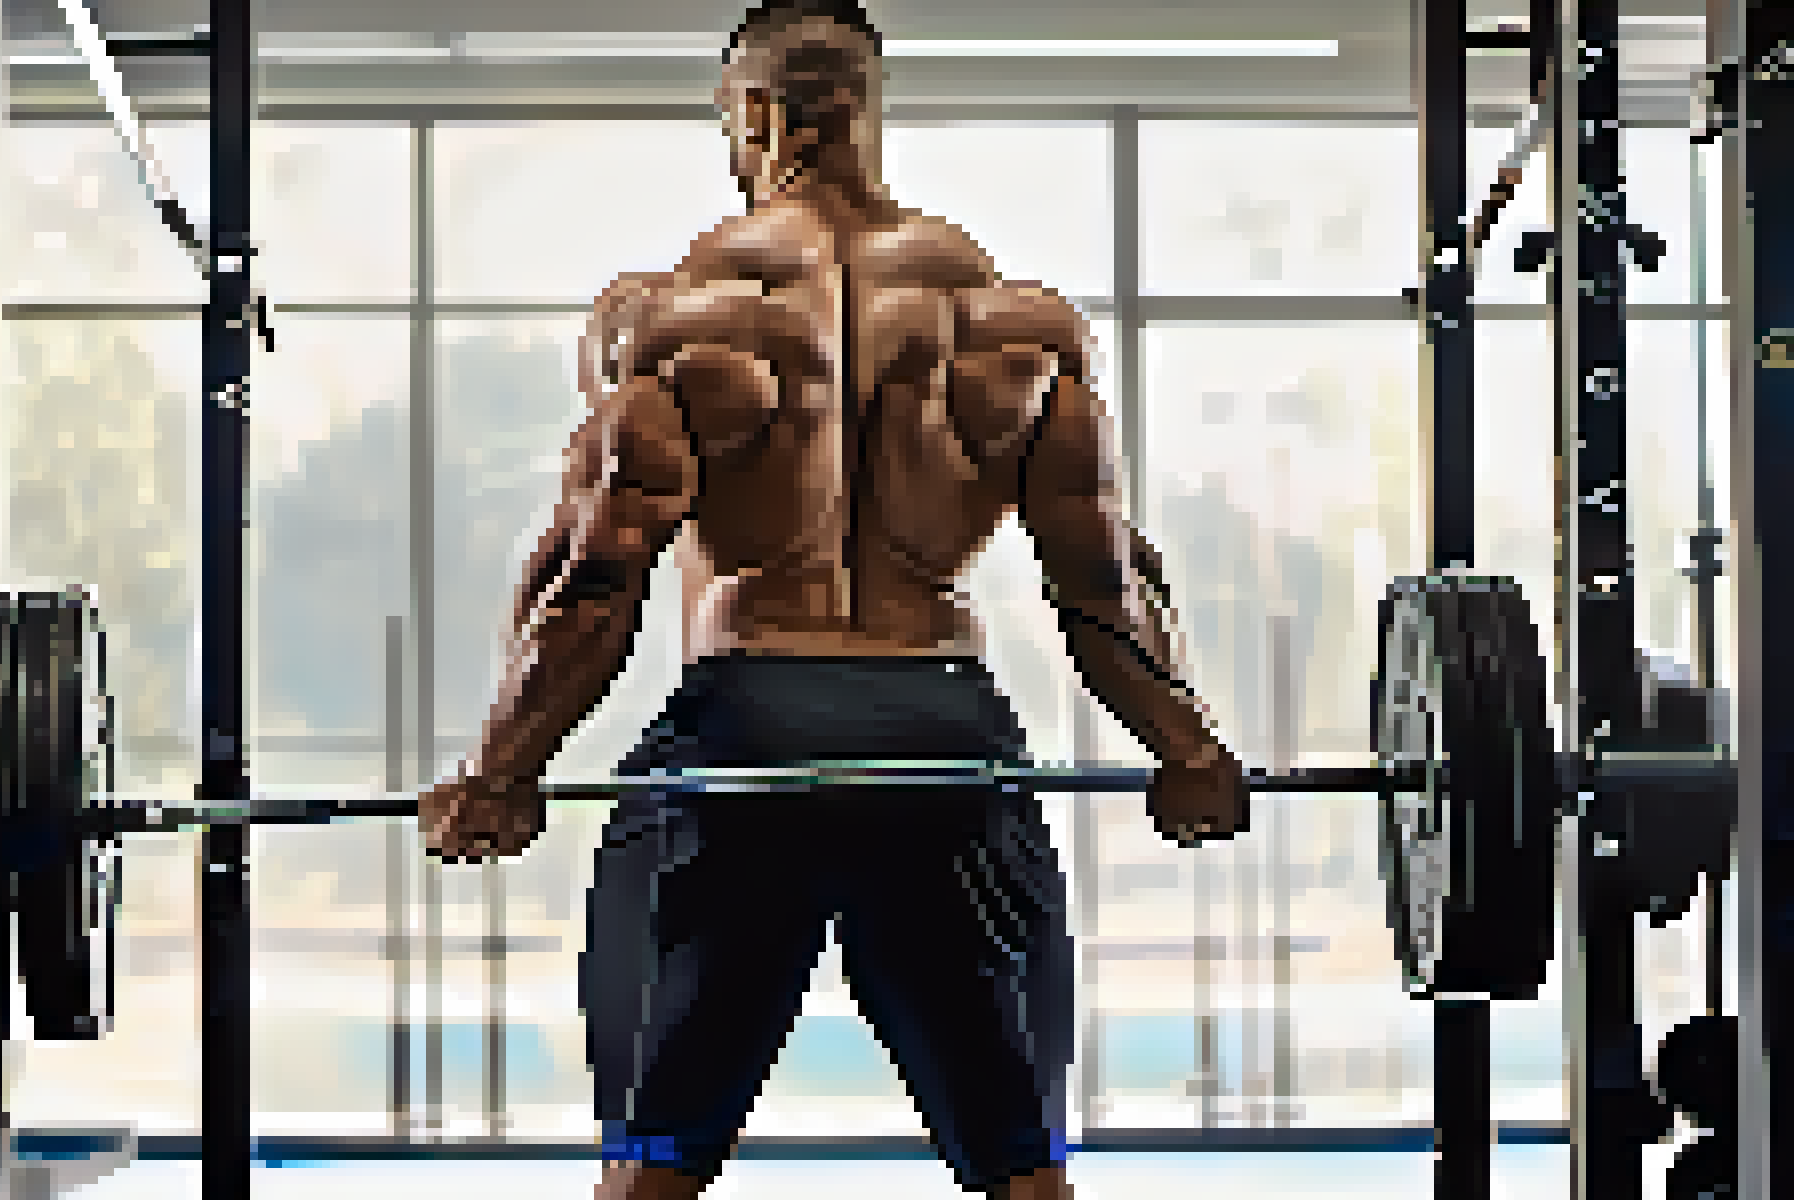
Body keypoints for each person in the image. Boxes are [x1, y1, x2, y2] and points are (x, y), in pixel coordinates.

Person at [417, 3, 1249, 1197]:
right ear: (866, 108)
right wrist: (1188, 748)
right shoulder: (1016, 327)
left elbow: (595, 578)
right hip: (940, 735)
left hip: (747, 728)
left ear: (756, 115)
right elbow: (1102, 579)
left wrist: (502, 772)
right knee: (1026, 1172)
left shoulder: (666, 322)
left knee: (650, 1166)